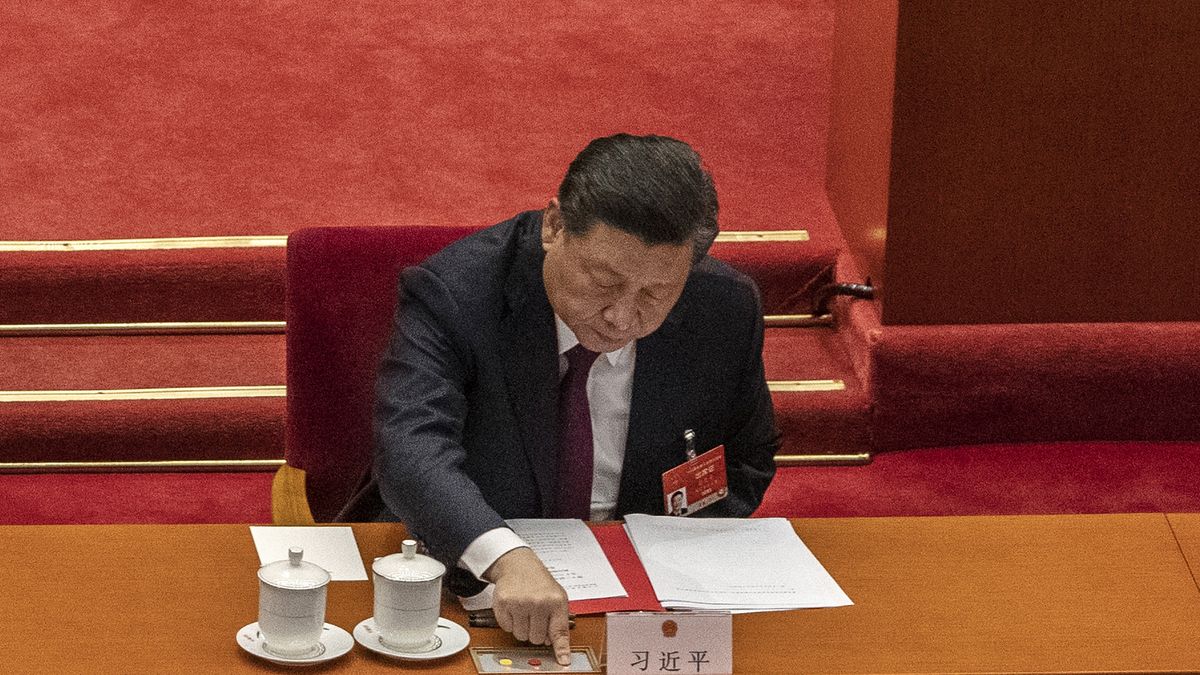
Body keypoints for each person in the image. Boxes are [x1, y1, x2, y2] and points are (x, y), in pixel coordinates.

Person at [349, 133, 779, 665]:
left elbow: (747, 458)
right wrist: (504, 557)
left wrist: (677, 562)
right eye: (604, 282)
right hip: (474, 582)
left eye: (654, 294)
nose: (621, 317)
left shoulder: (724, 308)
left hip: (644, 602)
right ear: (554, 226)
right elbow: (409, 449)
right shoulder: (457, 294)